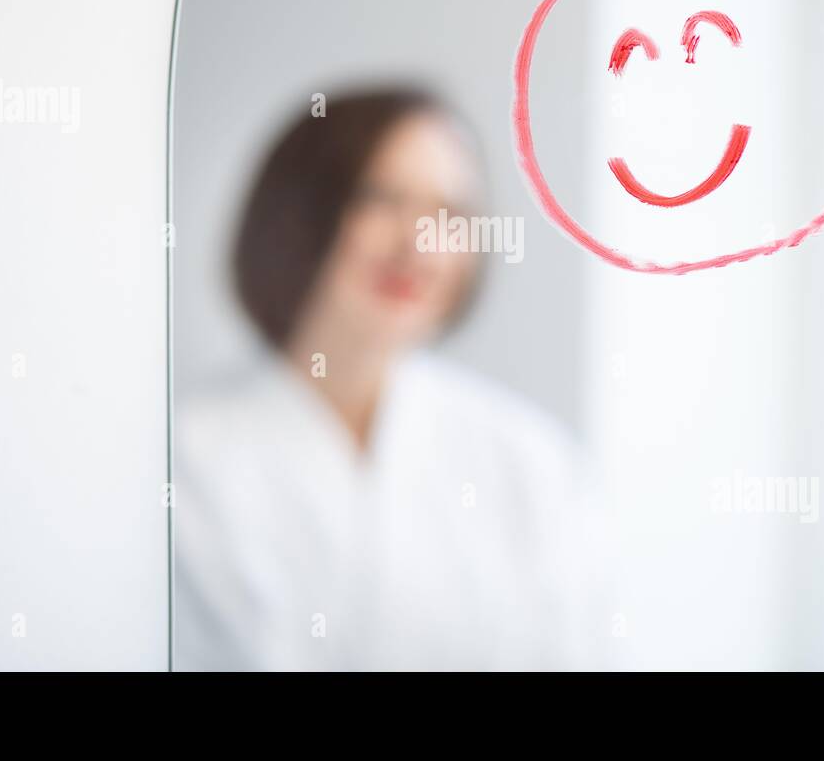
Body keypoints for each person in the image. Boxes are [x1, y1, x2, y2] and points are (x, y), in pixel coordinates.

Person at [175, 86, 611, 670]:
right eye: (379, 198)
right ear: (298, 212)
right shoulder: (185, 460)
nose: (419, 241)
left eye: (450, 214)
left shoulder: (529, 462)